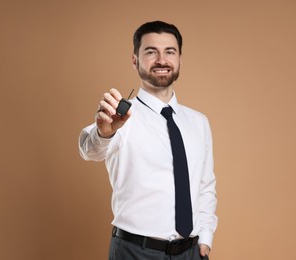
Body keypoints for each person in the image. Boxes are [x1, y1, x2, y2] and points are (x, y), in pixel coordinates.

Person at [79, 20, 217, 259]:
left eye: (169, 52)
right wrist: (103, 133)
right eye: (151, 52)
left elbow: (205, 186)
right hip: (136, 252)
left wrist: (205, 238)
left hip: (191, 252)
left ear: (180, 59)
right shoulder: (121, 116)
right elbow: (90, 150)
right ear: (135, 60)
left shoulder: (199, 122)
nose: (161, 60)